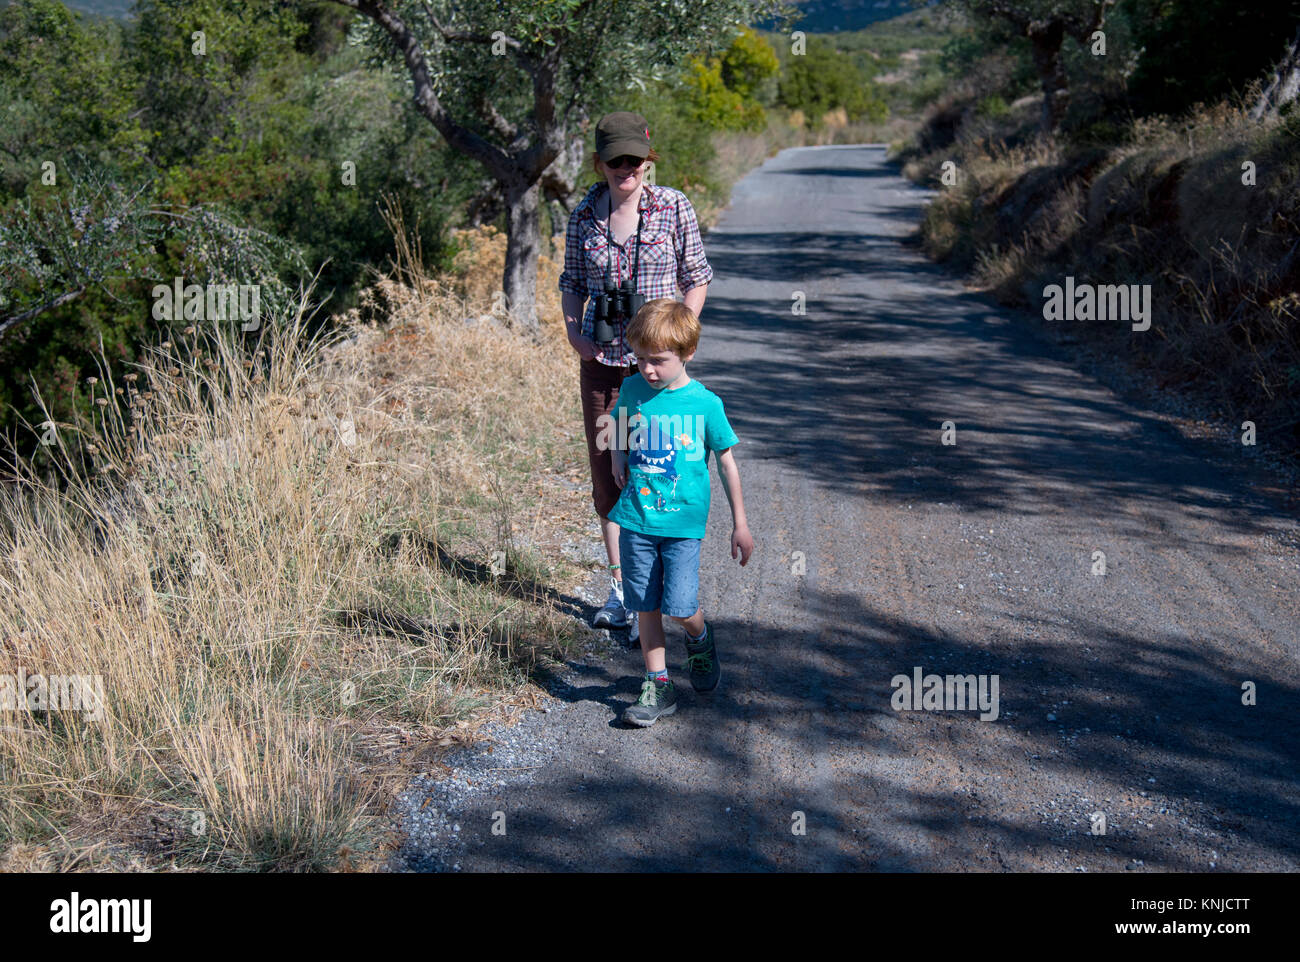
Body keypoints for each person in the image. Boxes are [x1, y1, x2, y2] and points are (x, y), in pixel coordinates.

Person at [558, 111, 713, 640]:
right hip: (604, 369)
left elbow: (697, 276)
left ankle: (665, 582)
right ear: (599, 163)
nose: (626, 168)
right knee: (612, 473)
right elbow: (572, 284)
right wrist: (576, 335)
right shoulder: (583, 216)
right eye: (615, 159)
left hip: (658, 372)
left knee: (663, 468)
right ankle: (623, 587)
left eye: (634, 159)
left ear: (648, 159)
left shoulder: (673, 207)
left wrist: (680, 337)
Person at [607, 299, 753, 727]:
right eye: (640, 359)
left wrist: (740, 524)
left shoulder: (704, 404)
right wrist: (617, 455)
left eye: (658, 361)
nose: (648, 370)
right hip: (637, 520)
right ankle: (658, 684)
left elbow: (727, 463)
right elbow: (617, 422)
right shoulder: (633, 389)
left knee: (680, 605)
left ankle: (700, 637)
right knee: (646, 605)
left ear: (687, 354)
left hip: (683, 526)